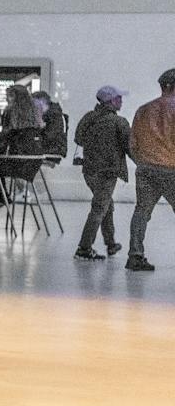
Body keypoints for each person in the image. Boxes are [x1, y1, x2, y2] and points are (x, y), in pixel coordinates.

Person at [73, 85, 131, 261]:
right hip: (108, 172)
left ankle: (111, 243)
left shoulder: (88, 118)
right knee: (99, 208)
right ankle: (84, 248)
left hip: (89, 170)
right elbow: (130, 147)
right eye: (119, 98)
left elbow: (78, 139)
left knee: (106, 205)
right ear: (111, 101)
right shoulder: (119, 122)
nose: (121, 101)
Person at [126, 68, 175, 272]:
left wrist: (143, 162)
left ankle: (135, 256)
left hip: (146, 169)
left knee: (141, 212)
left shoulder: (143, 110)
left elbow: (132, 143)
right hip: (172, 169)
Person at [36, 91, 69, 159]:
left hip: (52, 154)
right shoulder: (49, 116)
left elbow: (48, 137)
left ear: (42, 103)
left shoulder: (56, 117)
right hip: (48, 153)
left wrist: (40, 127)